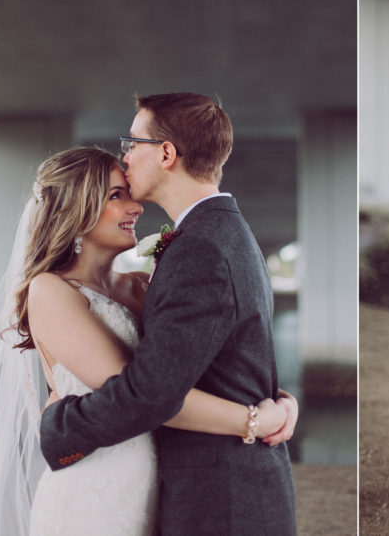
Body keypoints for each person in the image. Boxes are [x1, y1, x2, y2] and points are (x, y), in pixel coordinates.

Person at [0, 146, 296, 535]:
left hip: (160, 481)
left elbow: (187, 367)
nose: (137, 207)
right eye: (116, 195)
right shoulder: (51, 290)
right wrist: (256, 420)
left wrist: (280, 398)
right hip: (95, 486)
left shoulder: (143, 286)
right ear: (75, 210)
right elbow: (145, 394)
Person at [39, 93, 298, 535]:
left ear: (165, 152)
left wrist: (58, 426)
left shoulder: (199, 247)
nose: (125, 155)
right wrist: (272, 405)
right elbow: (226, 355)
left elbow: (152, 393)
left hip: (222, 498)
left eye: (131, 142)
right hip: (195, 487)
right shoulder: (219, 232)